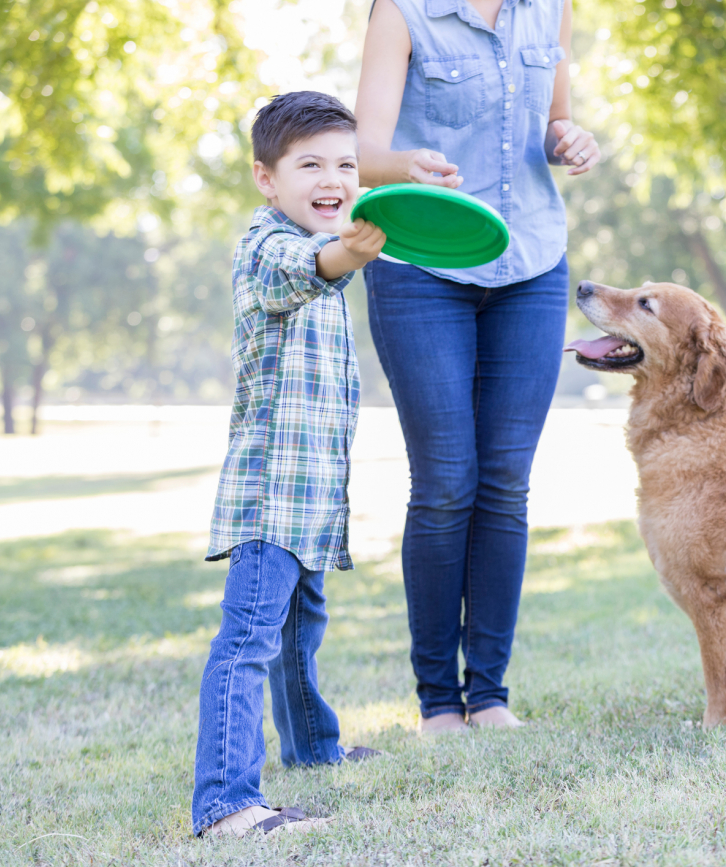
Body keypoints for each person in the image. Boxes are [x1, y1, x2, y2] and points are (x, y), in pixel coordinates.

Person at [354, 0, 600, 733]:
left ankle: (488, 694)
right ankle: (437, 702)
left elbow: (552, 123)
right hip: (421, 261)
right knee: (444, 482)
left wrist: (569, 138)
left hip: (531, 262)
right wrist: (407, 165)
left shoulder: (551, 10)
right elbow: (362, 151)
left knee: (503, 482)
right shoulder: (403, 13)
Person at [192, 91, 388, 838]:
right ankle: (225, 803)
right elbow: (302, 270)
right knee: (247, 642)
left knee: (299, 632)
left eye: (345, 163)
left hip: (310, 497)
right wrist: (351, 252)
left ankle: (313, 747)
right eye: (310, 164)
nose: (332, 178)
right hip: (271, 496)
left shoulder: (323, 236)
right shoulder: (269, 244)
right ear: (267, 178)